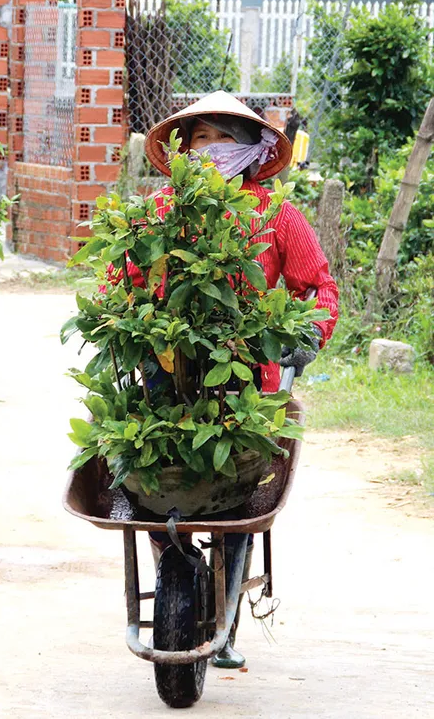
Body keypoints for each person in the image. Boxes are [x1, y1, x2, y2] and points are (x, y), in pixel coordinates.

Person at [140, 90, 339, 670]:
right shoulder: (161, 212)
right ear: (181, 150)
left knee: (240, 489)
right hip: (169, 377)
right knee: (153, 475)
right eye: (201, 138)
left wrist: (304, 337)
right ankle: (172, 565)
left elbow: (319, 288)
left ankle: (224, 610)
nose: (212, 150)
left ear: (253, 150)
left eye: (225, 138)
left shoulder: (276, 213)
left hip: (249, 375)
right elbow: (121, 275)